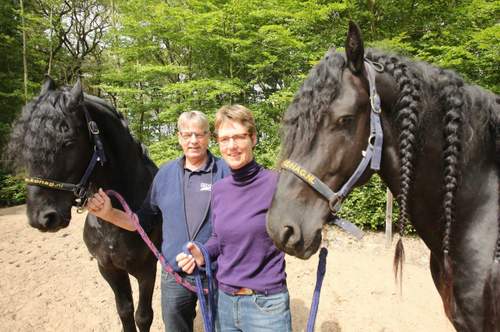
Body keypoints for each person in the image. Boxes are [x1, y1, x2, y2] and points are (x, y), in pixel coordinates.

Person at [86, 110, 230, 332]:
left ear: (208, 136)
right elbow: (142, 221)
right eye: (187, 134)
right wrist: (109, 214)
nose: (194, 141)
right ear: (179, 136)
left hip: (217, 275)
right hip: (174, 278)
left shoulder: (226, 173)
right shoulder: (164, 175)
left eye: (200, 134)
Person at [177, 105, 292, 332]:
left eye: (239, 137)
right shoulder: (219, 189)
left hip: (266, 306)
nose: (231, 146)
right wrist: (202, 252)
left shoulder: (277, 184)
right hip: (225, 303)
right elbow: (219, 238)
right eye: (224, 139)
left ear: (253, 138)